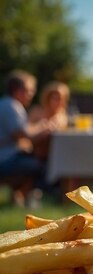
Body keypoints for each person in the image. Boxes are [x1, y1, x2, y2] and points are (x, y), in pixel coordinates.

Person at [0, 70, 50, 206]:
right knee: (41, 165)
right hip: (4, 159)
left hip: (6, 156)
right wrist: (44, 126)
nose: (31, 94)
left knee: (33, 161)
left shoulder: (7, 104)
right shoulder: (11, 106)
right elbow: (25, 135)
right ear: (17, 89)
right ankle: (29, 199)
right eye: (29, 90)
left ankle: (19, 198)